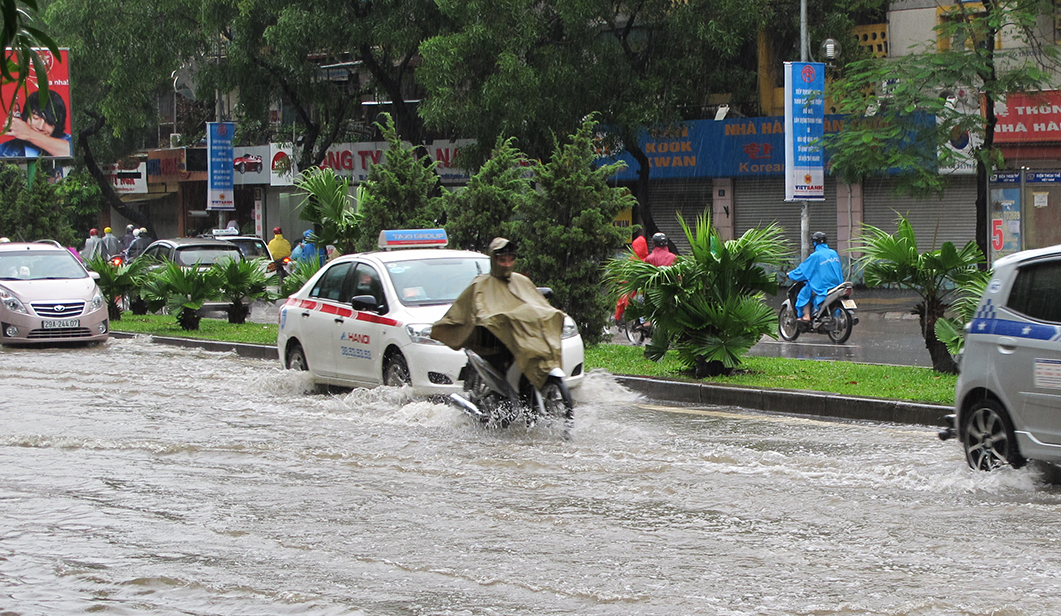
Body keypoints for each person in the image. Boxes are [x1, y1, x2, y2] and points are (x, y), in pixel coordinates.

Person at [431, 237, 565, 390]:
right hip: (494, 340)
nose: (507, 264)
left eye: (510, 260)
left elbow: (536, 304)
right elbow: (471, 310)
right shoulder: (480, 284)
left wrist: (551, 313)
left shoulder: (522, 281)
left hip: (522, 337)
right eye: (502, 260)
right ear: (494, 260)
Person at [787, 231, 844, 321]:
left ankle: (806, 315)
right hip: (837, 284)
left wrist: (790, 274)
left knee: (804, 293)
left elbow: (803, 270)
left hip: (823, 285)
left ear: (814, 243)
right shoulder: (833, 253)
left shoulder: (815, 256)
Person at [0, 90, 73, 158]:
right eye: (36, 118)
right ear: (25, 117)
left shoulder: (68, 141)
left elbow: (71, 152)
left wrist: (29, 133)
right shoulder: (4, 150)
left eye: (49, 122)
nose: (40, 127)